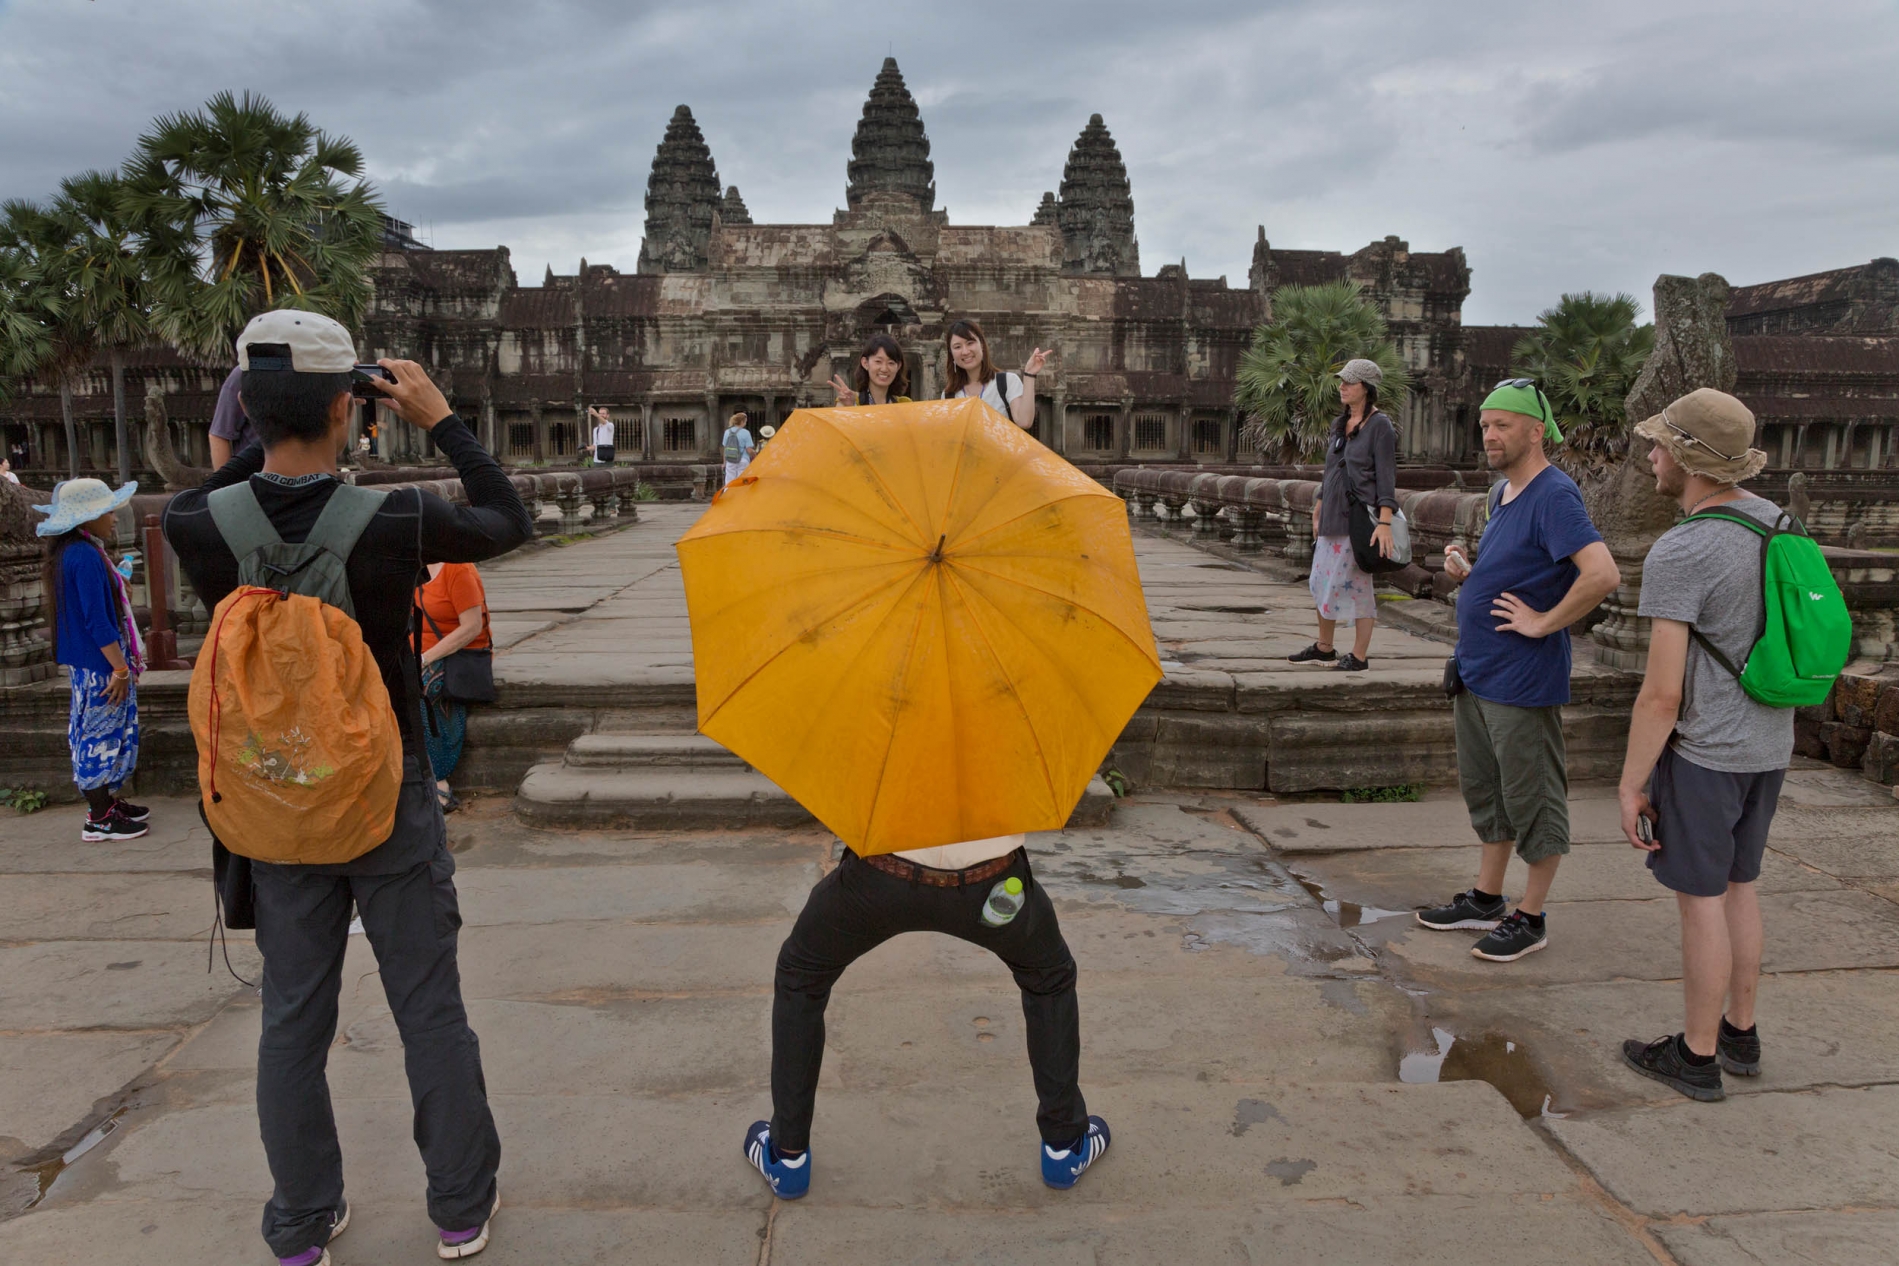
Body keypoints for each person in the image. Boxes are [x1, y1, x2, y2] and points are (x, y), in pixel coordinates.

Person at [165, 309, 532, 1265]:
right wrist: (441, 420)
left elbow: (220, 489)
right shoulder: (397, 515)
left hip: (272, 798)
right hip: (386, 789)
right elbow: (507, 517)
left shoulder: (195, 523)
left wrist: (278, 415)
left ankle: (297, 1222)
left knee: (292, 1016)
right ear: (349, 406)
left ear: (245, 407)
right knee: (427, 1006)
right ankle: (457, 1209)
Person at [1616, 390, 1790, 1103]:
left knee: (1700, 899)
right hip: (1769, 743)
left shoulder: (1683, 548)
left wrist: (1630, 784)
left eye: (1659, 445)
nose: (1651, 456)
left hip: (1707, 753)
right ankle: (1740, 1032)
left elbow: (1661, 693)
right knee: (1739, 886)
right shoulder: (1781, 523)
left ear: (1687, 460)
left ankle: (1695, 1056)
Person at [1415, 380, 1620, 961]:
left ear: (1537, 431)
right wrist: (1471, 573)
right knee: (1489, 792)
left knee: (1533, 797)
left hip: (1522, 677)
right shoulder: (1502, 492)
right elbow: (1521, 569)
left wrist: (1544, 621)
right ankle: (1486, 898)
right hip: (1478, 669)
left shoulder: (1554, 493)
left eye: (1502, 425)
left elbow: (1602, 574)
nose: (1490, 435)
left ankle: (1530, 916)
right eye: (1485, 426)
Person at [34, 478, 149, 842]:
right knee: (99, 736)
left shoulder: (79, 550)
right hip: (101, 663)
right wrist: (119, 668)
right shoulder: (84, 556)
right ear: (89, 517)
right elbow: (97, 621)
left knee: (101, 728)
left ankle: (107, 804)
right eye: (108, 511)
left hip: (90, 660)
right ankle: (99, 817)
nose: (115, 518)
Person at [1289, 359, 1397, 672]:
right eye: (1342, 381)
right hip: (1332, 515)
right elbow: (1330, 471)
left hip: (1360, 519)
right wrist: (1319, 504)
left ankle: (1359, 656)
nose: (1343, 387)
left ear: (1367, 388)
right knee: (1320, 581)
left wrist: (1386, 522)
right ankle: (1324, 647)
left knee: (1357, 586)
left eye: (1350, 382)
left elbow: (1386, 478)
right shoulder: (1340, 424)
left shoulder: (1380, 427)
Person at [417, 560, 492, 814]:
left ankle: (440, 781)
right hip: (420, 651)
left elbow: (472, 627)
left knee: (426, 687)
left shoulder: (458, 569)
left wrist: (426, 658)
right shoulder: (411, 566)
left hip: (460, 654)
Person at [943, 318, 1046, 430]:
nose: (965, 351)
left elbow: (1024, 421)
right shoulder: (949, 395)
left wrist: (1029, 375)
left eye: (970, 343)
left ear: (981, 344)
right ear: (951, 353)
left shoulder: (1006, 382)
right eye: (957, 347)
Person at [829, 332, 913, 406]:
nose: (884, 369)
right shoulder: (849, 401)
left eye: (891, 363)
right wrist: (852, 408)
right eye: (878, 361)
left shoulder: (904, 404)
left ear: (898, 366)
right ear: (865, 363)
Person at [208, 361, 259, 468]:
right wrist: (225, 483)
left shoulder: (301, 370)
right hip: (250, 474)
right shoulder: (243, 373)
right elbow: (219, 435)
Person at [722, 412, 756, 484]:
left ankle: (728, 494)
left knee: (729, 482)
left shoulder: (727, 432)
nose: (745, 423)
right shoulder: (746, 433)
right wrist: (755, 453)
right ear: (742, 421)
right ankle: (740, 495)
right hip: (743, 460)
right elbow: (749, 450)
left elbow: (725, 449)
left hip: (730, 460)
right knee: (742, 482)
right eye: (745, 422)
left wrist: (724, 463)